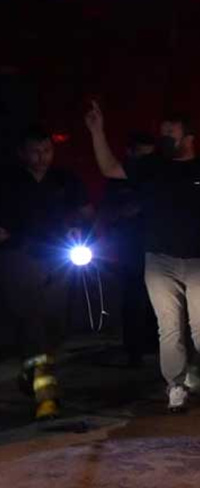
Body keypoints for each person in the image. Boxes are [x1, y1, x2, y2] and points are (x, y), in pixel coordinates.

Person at [85, 102, 200, 413]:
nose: (164, 136)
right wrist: (97, 131)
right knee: (169, 326)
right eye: (162, 131)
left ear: (189, 137)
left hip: (196, 260)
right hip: (158, 261)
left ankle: (191, 366)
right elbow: (110, 168)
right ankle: (175, 385)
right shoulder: (152, 166)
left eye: (171, 132)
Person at [0, 125, 93, 421]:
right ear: (21, 153)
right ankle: (46, 395)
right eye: (35, 151)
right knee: (33, 318)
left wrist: (80, 226)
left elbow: (87, 210)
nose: (41, 158)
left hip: (60, 257)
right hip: (19, 257)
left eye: (46, 151)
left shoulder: (65, 180)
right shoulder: (8, 181)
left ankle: (30, 370)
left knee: (56, 320)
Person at [100, 132, 159, 367]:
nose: (145, 163)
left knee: (157, 298)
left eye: (150, 157)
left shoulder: (156, 179)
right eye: (141, 156)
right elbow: (107, 212)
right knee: (133, 299)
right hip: (129, 250)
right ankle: (134, 351)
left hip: (155, 248)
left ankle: (153, 343)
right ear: (130, 153)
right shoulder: (117, 181)